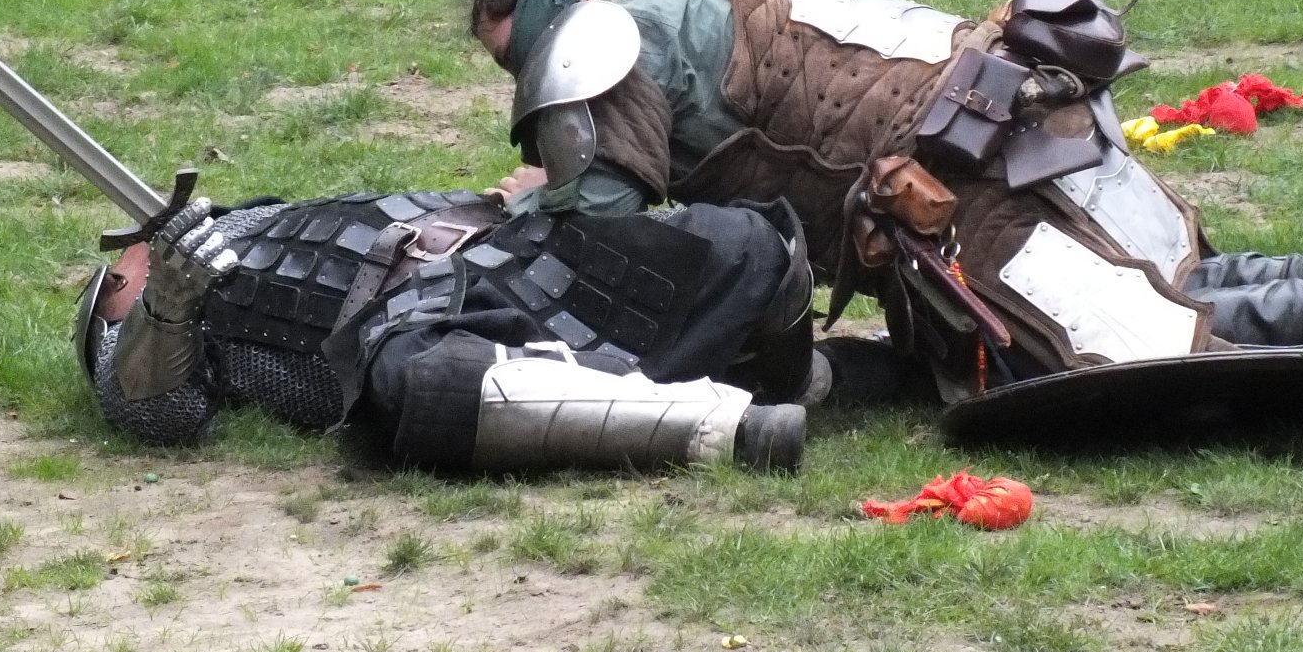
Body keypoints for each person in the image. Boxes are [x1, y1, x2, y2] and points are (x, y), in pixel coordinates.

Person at [470, 0, 1303, 417]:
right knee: (1157, 284)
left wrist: (536, 204)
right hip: (1008, 100)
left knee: (1124, 351)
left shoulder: (606, 37)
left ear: (551, 10)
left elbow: (599, 227)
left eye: (513, 58)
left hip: (959, 175)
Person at [72, 184, 813, 473]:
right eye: (120, 282)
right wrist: (168, 301)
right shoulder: (177, 327)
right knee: (430, 386)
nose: (134, 256)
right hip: (404, 322)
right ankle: (726, 430)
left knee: (741, 240)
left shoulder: (263, 216)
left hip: (506, 249)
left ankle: (820, 378)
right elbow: (151, 410)